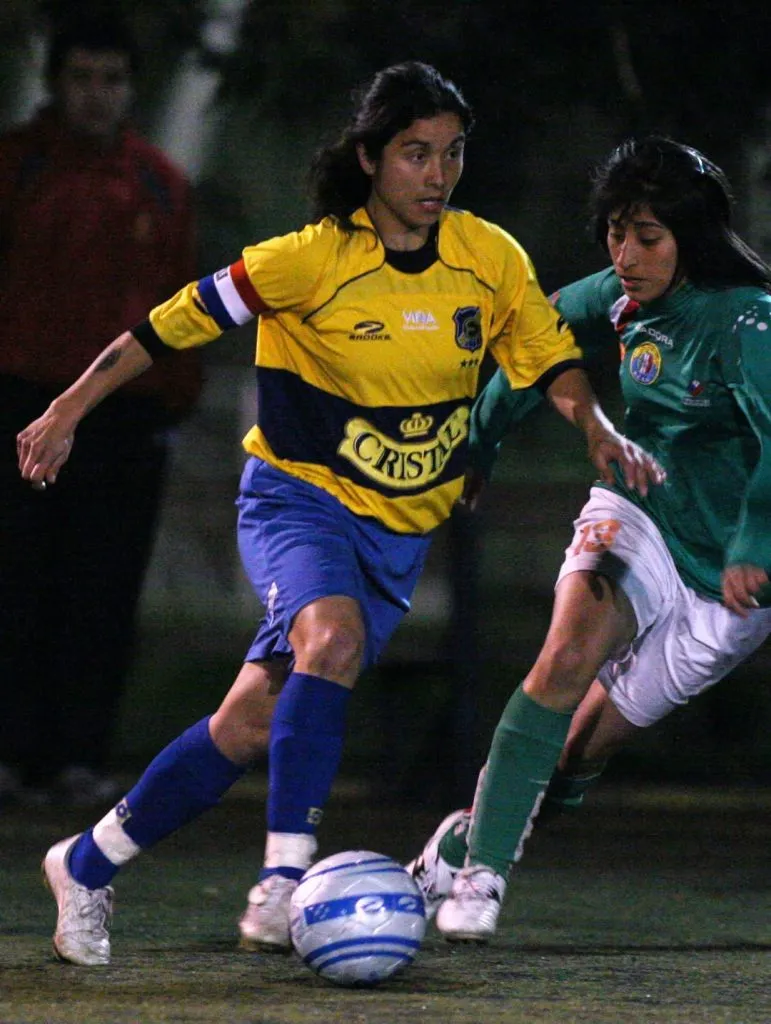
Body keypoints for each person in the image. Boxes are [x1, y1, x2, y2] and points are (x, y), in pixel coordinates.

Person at [17, 61, 662, 967]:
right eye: (414, 153)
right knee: (331, 640)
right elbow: (167, 324)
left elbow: (547, 357)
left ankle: (85, 863)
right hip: (297, 500)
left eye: (451, 153)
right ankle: (284, 879)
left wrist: (593, 426)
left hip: (397, 533)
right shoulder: (305, 260)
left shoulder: (487, 258)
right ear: (369, 158)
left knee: (248, 723)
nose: (436, 174)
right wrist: (66, 410)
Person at [406, 134, 771, 943]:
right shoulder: (615, 296)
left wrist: (753, 544)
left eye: (647, 237)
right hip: (640, 508)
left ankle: (460, 844)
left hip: (734, 580)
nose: (625, 255)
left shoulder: (747, 321)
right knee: (565, 656)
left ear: (689, 235)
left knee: (569, 764)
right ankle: (483, 876)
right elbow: (535, 351)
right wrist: (478, 445)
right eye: (614, 232)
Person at [0, 14, 201, 807]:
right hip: (20, 404)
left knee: (102, 591)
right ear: (56, 83)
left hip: (122, 420)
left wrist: (169, 406)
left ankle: (78, 758)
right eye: (81, 78)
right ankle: (10, 756)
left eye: (110, 80)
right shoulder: (16, 167)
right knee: (15, 583)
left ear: (130, 89)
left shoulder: (158, 182)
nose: (95, 95)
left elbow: (184, 306)